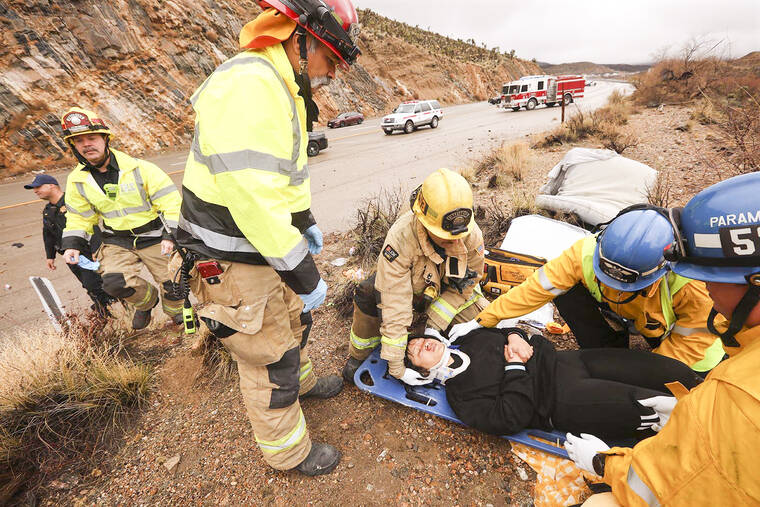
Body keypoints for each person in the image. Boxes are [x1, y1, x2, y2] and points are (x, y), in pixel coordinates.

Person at [175, 0, 360, 476]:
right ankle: (288, 453)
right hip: (232, 253)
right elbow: (252, 195)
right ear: (300, 37)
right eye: (332, 59)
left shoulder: (283, 86)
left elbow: (282, 180)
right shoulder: (251, 84)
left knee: (293, 325)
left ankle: (299, 386)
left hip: (262, 245)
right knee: (267, 354)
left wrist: (304, 219)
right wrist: (301, 268)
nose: (333, 74)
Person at [564, 172, 760, 506]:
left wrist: (601, 462)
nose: (706, 287)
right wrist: (688, 410)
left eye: (710, 276)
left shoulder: (739, 396)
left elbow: (662, 486)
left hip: (691, 364)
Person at [449, 208, 725, 376]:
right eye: (609, 280)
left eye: (626, 287)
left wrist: (643, 375)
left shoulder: (693, 285)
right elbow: (535, 289)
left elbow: (692, 343)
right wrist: (483, 319)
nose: (615, 290)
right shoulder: (585, 253)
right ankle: (607, 349)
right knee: (564, 291)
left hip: (674, 341)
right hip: (633, 319)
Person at [404, 327, 702, 441]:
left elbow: (510, 329)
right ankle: (713, 430)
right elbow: (511, 417)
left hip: (568, 361)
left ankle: (716, 392)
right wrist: (516, 367)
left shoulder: (469, 339)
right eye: (415, 351)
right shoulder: (462, 397)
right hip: (560, 400)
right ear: (422, 373)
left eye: (420, 339)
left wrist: (515, 338)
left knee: (670, 372)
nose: (421, 344)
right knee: (656, 406)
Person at [342, 168, 489, 385]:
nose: (455, 243)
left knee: (486, 327)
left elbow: (465, 286)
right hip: (410, 289)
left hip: (447, 291)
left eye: (459, 236)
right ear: (424, 222)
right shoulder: (401, 238)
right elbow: (394, 301)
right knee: (367, 292)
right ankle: (359, 356)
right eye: (445, 237)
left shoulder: (470, 235)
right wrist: (396, 366)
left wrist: (433, 328)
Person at [59, 107, 183, 330]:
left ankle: (176, 315)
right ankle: (146, 303)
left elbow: (172, 204)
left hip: (155, 235)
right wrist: (72, 245)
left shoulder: (141, 169)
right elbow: (78, 217)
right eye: (79, 141)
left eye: (92, 138)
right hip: (117, 240)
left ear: (105, 139)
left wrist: (170, 235)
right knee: (114, 283)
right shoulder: (76, 181)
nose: (86, 144)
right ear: (73, 147)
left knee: (174, 282)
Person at [24, 173, 113, 316]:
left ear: (51, 185)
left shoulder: (72, 201)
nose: (35, 191)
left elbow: (92, 226)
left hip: (86, 250)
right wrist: (50, 256)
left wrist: (96, 250)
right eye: (33, 188)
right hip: (69, 255)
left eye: (38, 187)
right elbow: (48, 235)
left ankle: (105, 309)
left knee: (94, 282)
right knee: (87, 283)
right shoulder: (48, 210)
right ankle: (104, 307)